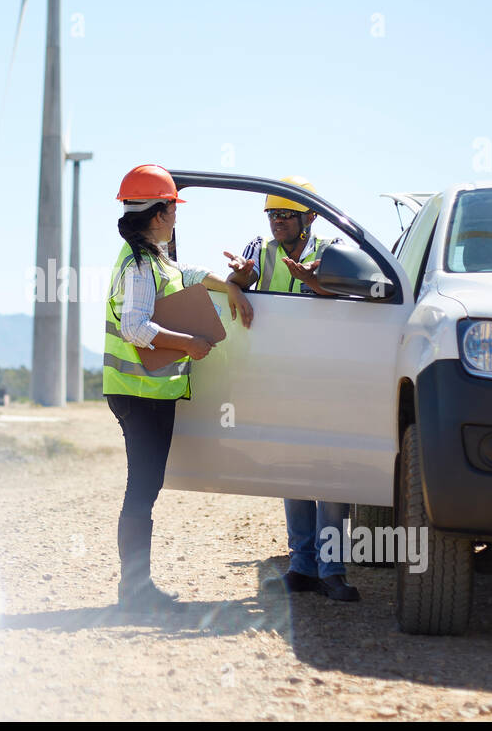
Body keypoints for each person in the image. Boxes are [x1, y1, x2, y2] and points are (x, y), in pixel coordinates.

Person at [105, 163, 254, 612]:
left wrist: (229, 286)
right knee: (142, 489)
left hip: (148, 394)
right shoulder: (137, 265)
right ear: (159, 215)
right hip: (139, 395)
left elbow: (186, 274)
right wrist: (189, 343)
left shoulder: (152, 260)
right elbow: (134, 326)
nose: (176, 218)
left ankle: (137, 588)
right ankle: (135, 592)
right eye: (173, 209)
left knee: (145, 487)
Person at [224, 178, 361, 602]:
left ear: (310, 218)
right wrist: (236, 283)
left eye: (286, 215)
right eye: (272, 215)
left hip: (327, 380)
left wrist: (316, 283)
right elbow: (238, 285)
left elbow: (352, 298)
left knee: (332, 475)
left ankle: (332, 569)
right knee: (294, 473)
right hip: (281, 380)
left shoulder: (333, 252)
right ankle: (302, 566)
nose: (277, 222)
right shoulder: (259, 252)